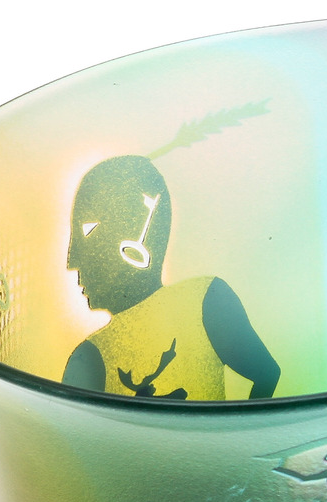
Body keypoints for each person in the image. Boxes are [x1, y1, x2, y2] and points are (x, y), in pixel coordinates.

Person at [62, 155, 279, 400]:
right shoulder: (89, 356)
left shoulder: (206, 301)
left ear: (138, 229)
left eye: (88, 229)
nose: (72, 260)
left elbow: (267, 373)